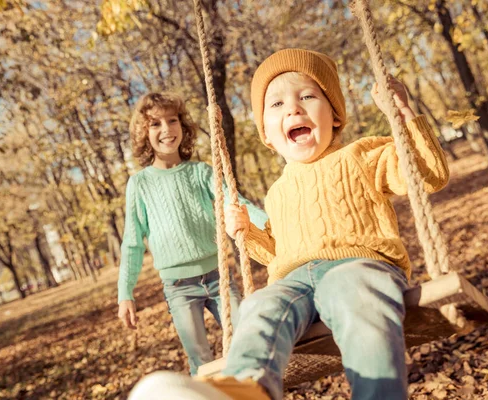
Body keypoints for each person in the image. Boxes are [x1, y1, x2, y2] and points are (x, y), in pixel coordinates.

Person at [129, 48, 450, 400]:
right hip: (295, 279)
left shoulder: (362, 155)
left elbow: (427, 173)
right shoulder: (277, 192)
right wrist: (246, 233)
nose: (293, 108)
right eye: (277, 105)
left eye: (308, 96)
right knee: (258, 307)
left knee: (354, 294)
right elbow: (277, 253)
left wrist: (402, 115)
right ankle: (246, 389)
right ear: (267, 132)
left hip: (359, 265)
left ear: (335, 115)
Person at [118, 92, 267, 376]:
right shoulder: (139, 184)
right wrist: (125, 292)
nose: (166, 129)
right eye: (155, 124)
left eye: (172, 120)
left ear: (182, 126)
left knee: (246, 342)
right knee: (201, 359)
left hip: (218, 276)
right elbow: (133, 243)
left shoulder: (201, 173)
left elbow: (236, 202)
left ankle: (250, 391)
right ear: (143, 133)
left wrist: (270, 225)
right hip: (179, 287)